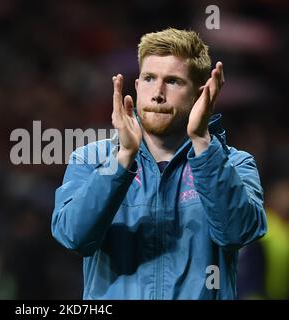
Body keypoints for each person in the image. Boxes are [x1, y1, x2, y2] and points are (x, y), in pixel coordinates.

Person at [51, 28, 267, 299]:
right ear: (138, 86)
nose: (158, 94)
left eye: (174, 82)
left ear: (201, 95)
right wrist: (122, 161)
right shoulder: (91, 160)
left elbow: (236, 233)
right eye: (149, 79)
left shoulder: (235, 164)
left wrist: (202, 142)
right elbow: (74, 237)